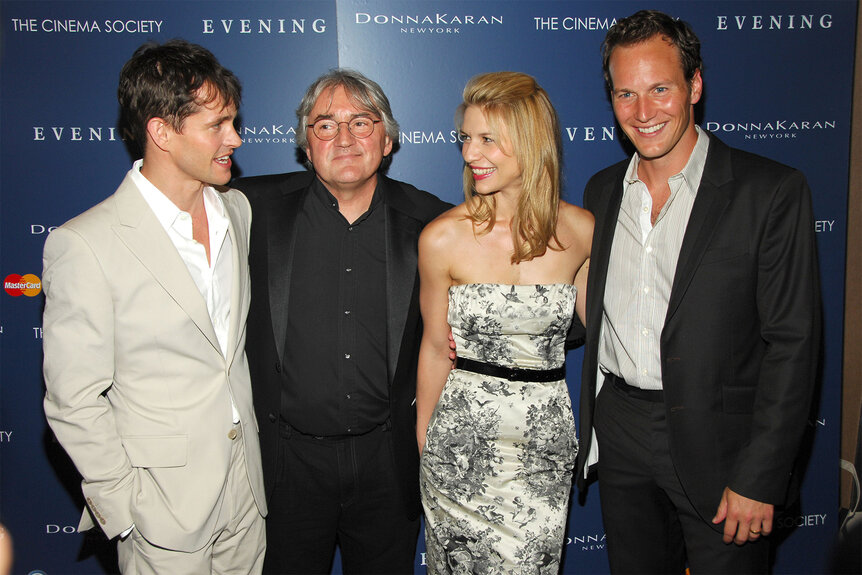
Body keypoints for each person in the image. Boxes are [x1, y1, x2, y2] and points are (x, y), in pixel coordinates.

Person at [575, 10, 821, 573]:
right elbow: (587, 307)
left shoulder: (770, 191)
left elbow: (793, 344)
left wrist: (761, 477)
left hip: (723, 444)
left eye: (660, 89)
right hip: (621, 430)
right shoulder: (603, 190)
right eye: (625, 94)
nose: (643, 112)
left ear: (695, 85)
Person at [41, 40, 266, 573]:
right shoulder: (87, 243)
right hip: (161, 511)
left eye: (234, 121)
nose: (235, 138)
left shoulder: (238, 212)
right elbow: (73, 399)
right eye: (218, 125)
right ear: (162, 132)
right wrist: (125, 507)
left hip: (247, 495)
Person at [233, 69, 449, 574]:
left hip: (387, 464)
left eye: (361, 122)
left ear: (388, 137)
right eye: (325, 125)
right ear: (305, 145)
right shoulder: (247, 210)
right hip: (285, 465)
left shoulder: (433, 224)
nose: (345, 138)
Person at [416, 72, 593, 574]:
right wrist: (427, 440)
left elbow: (609, 340)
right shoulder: (442, 238)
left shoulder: (580, 232)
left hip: (542, 445)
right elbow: (433, 348)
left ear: (530, 142)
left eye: (488, 139)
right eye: (466, 139)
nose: (471, 153)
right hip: (461, 445)